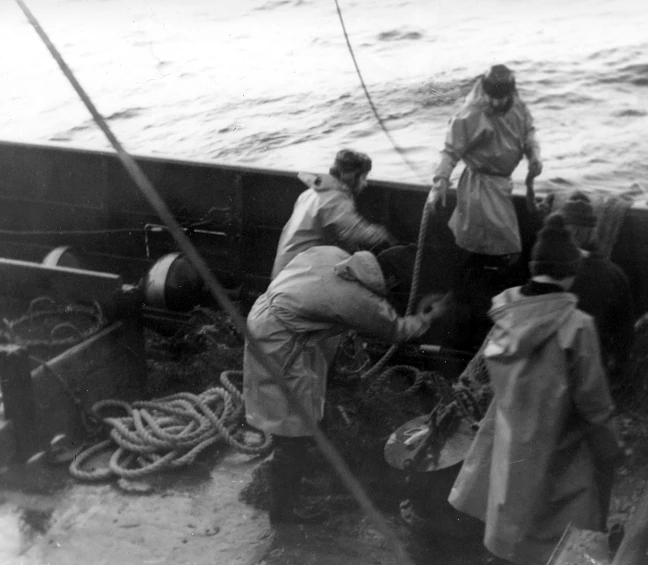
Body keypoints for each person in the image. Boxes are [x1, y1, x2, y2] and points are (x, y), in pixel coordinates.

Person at [447, 214, 622, 565]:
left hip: (510, 443)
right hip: (560, 450)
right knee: (560, 531)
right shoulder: (576, 327)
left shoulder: (505, 318)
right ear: (570, 272)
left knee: (508, 523)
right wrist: (611, 447)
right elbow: (594, 404)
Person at [243, 245, 448, 524]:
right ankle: (283, 511)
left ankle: (292, 479)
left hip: (271, 317)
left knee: (300, 416)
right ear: (390, 282)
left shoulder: (333, 254)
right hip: (280, 338)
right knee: (293, 428)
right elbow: (396, 330)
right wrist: (427, 316)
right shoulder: (360, 300)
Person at [426, 64, 543, 328]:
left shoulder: (518, 107)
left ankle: (486, 303)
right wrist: (439, 183)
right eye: (492, 96)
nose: (496, 102)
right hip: (479, 186)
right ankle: (473, 307)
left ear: (511, 93)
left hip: (502, 186)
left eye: (501, 97)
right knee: (498, 249)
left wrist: (534, 154)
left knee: (498, 249)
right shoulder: (470, 113)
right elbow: (449, 151)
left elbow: (529, 133)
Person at [270, 149, 395, 278]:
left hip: (285, 270)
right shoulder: (334, 199)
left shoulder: (310, 194)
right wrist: (383, 235)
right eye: (363, 178)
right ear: (348, 176)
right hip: (297, 275)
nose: (365, 184)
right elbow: (355, 232)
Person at [561, 191, 635, 384]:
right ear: (591, 231)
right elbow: (624, 339)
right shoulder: (615, 274)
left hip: (548, 373)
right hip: (592, 377)